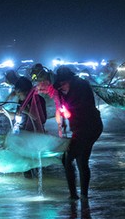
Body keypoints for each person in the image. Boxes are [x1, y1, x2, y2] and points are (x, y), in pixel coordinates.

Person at [38, 66, 103, 200]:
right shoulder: (63, 90)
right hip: (80, 127)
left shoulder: (81, 86)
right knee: (81, 160)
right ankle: (83, 196)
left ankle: (74, 195)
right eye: (60, 84)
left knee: (68, 159)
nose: (62, 86)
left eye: (63, 83)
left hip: (90, 126)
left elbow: (78, 107)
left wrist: (67, 111)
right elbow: (64, 108)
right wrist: (63, 121)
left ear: (70, 79)